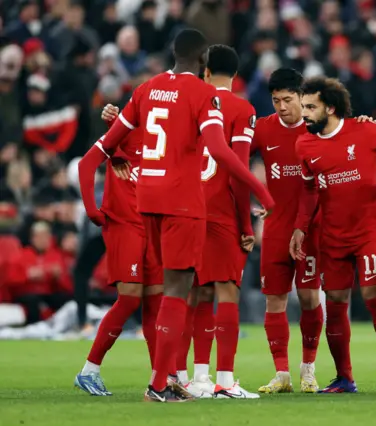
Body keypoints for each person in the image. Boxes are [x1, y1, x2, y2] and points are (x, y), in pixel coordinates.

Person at [77, 29, 274, 403]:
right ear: (203, 62)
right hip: (182, 202)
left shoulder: (145, 89)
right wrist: (262, 190)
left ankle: (171, 378)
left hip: (145, 202)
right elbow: (219, 150)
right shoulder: (205, 95)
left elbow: (92, 157)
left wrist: (93, 211)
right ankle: (159, 384)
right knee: (176, 293)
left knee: (162, 293)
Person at [291, 77, 376, 393]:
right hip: (332, 238)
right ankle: (344, 377)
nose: (303, 113)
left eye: (310, 107)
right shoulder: (304, 145)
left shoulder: (367, 131)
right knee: (334, 302)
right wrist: (300, 226)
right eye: (303, 106)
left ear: (330, 107)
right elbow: (309, 191)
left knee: (374, 295)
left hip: (368, 233)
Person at [177, 44, 259, 399]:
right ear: (235, 75)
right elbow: (239, 171)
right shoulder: (242, 109)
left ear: (205, 72)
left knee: (192, 291)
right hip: (222, 211)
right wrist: (245, 225)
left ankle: (187, 377)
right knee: (227, 291)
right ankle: (224, 379)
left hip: (185, 207)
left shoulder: (189, 102)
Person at [74, 107, 163, 397]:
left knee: (155, 302)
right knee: (129, 298)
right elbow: (86, 164)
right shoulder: (124, 132)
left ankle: (159, 380)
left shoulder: (167, 140)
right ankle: (89, 371)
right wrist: (92, 210)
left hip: (152, 226)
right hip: (124, 225)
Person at [252, 68, 323, 394]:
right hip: (276, 228)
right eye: (276, 100)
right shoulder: (263, 129)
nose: (281, 107)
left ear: (301, 97)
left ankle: (308, 369)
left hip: (310, 229)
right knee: (274, 301)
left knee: (309, 298)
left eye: (288, 100)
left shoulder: (317, 127)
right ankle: (282, 374)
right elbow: (233, 157)